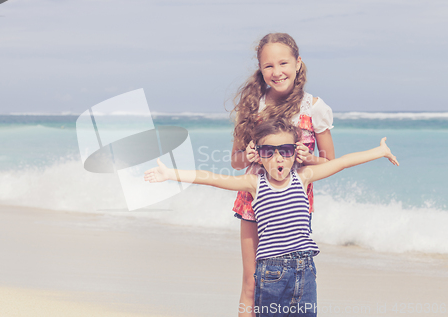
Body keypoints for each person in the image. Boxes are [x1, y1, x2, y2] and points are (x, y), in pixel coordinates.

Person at [144, 118, 399, 317]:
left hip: (305, 270)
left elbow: (342, 162)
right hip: (271, 273)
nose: (278, 158)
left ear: (295, 152)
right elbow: (210, 178)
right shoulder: (254, 184)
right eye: (269, 151)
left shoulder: (303, 177)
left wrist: (379, 151)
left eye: (285, 150)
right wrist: (170, 173)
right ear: (259, 154)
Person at [230, 33, 335, 316]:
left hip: (295, 205)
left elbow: (328, 161)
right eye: (269, 66)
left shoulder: (314, 107)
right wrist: (248, 156)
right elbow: (236, 162)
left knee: (296, 278)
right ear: (261, 69)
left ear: (298, 63)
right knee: (251, 281)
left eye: (283, 63)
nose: (277, 72)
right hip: (254, 202)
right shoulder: (253, 106)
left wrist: (309, 158)